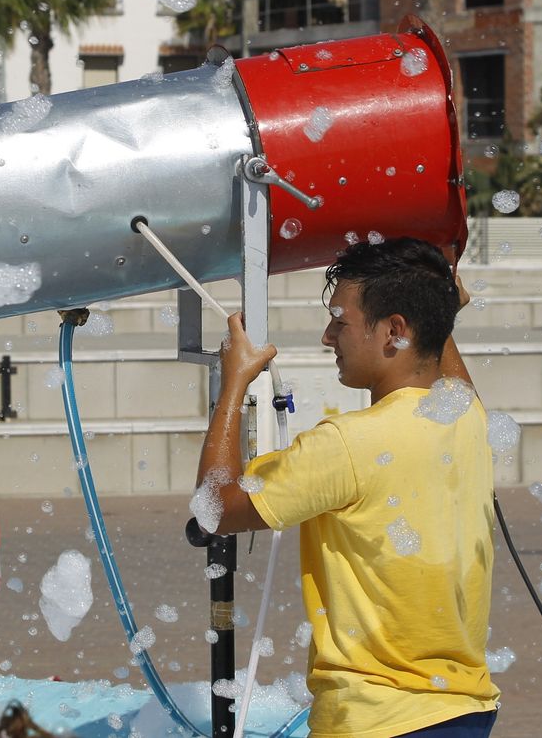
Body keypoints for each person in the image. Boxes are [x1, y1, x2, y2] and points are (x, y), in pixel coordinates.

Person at [195, 237, 499, 737]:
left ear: (395, 331)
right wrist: (441, 311)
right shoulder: (465, 416)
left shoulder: (347, 445)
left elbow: (214, 508)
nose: (327, 336)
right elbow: (442, 364)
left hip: (376, 720)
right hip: (462, 712)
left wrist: (234, 383)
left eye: (341, 321)